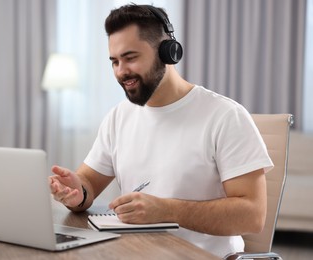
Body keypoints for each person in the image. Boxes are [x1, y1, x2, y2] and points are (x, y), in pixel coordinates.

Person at [49, 4, 273, 257]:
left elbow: (253, 216)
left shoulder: (225, 116)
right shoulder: (119, 116)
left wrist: (167, 210)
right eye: (115, 61)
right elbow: (88, 182)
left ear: (168, 53)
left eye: (130, 57)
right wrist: (77, 193)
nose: (121, 71)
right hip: (136, 252)